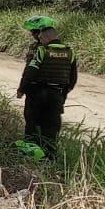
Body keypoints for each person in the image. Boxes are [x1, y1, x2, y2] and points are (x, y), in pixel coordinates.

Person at [16, 15, 77, 157]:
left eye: (36, 33)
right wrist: (63, 94)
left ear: (44, 34)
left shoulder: (42, 50)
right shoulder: (69, 52)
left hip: (37, 92)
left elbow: (30, 71)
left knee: (32, 123)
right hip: (57, 94)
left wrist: (22, 88)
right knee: (52, 126)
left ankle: (31, 153)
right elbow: (72, 78)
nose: (33, 35)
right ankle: (49, 156)